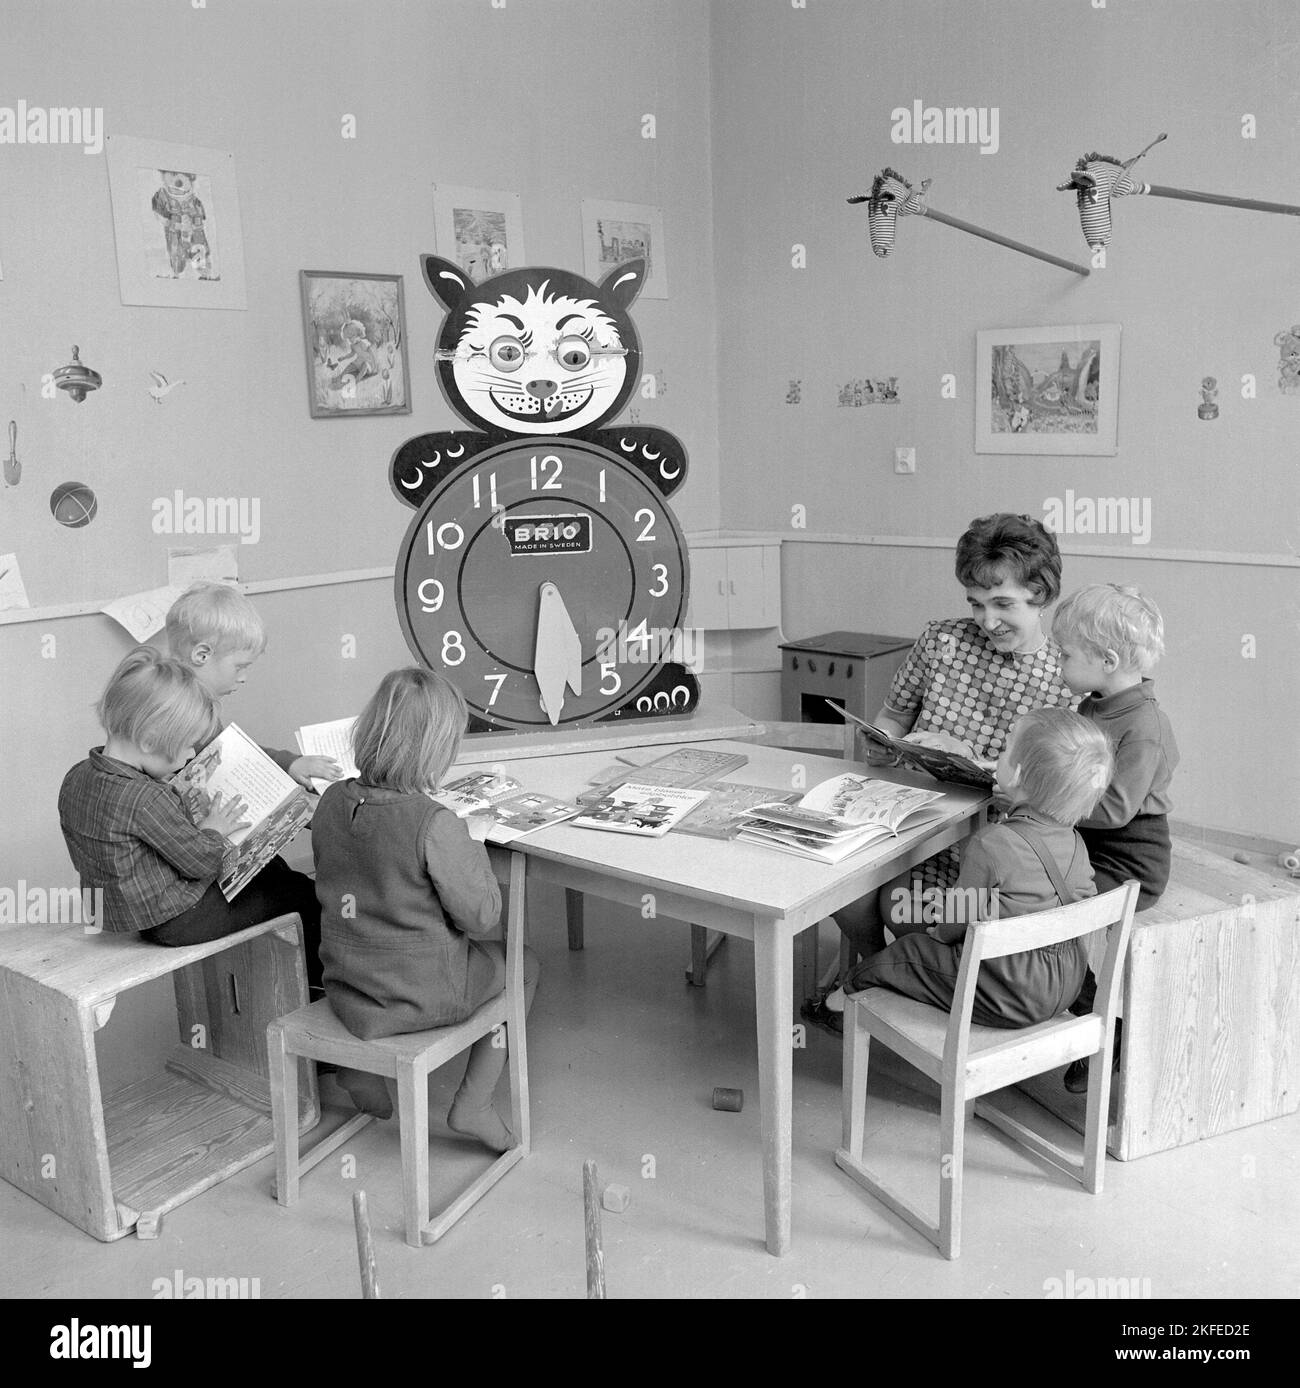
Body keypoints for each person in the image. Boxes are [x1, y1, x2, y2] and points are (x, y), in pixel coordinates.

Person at [803, 512, 1076, 1033]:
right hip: (909, 814)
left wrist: (972, 758)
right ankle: (869, 969)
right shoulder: (941, 641)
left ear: (1041, 595)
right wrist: (882, 745)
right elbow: (894, 716)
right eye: (975, 602)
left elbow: (1054, 790)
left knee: (904, 909)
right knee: (838, 881)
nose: (987, 620)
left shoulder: (1066, 673)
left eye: (1003, 604)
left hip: (990, 845)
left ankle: (892, 977)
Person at [311, 667, 540, 1151]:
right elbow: (481, 918)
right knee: (526, 966)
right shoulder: (435, 824)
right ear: (436, 750)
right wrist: (471, 845)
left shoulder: (330, 801)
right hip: (421, 992)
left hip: (350, 984)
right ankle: (474, 1103)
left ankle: (362, 1073)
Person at [828, 708, 1113, 1029]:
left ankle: (844, 999)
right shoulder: (1076, 843)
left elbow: (955, 922)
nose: (1000, 756)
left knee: (908, 950)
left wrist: (938, 935)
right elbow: (1080, 902)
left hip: (1005, 994)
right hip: (1063, 985)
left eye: (1006, 750)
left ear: (1016, 775)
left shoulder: (992, 843)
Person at [58, 648, 322, 970]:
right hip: (177, 919)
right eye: (184, 745)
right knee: (301, 893)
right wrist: (215, 828)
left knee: (272, 871)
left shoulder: (77, 777)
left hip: (117, 911)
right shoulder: (146, 799)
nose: (187, 757)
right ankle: (318, 981)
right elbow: (201, 861)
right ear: (149, 740)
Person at [1052, 584, 1179, 1091]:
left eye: (1064, 654)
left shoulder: (1144, 724)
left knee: (1059, 912)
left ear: (1106, 659)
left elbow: (1116, 808)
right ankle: (1060, 1006)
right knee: (1028, 889)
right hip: (1089, 840)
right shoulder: (1092, 705)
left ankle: (1100, 1023)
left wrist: (1048, 804)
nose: (1057, 662)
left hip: (1132, 855)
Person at [165, 581, 340, 790]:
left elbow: (231, 754)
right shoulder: (173, 710)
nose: (243, 677)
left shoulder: (196, 701)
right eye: (240, 667)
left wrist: (289, 763)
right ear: (202, 655)